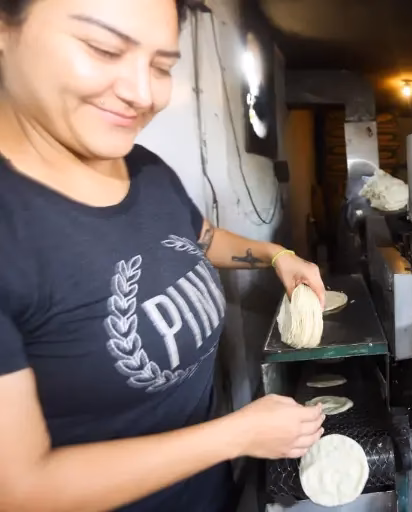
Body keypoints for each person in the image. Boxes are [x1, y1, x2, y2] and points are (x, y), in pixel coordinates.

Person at [0, 0, 327, 510]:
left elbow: (201, 238)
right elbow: (20, 491)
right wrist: (236, 436)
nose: (143, 93)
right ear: (5, 29)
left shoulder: (144, 167)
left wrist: (276, 254)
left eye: (161, 66)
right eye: (103, 48)